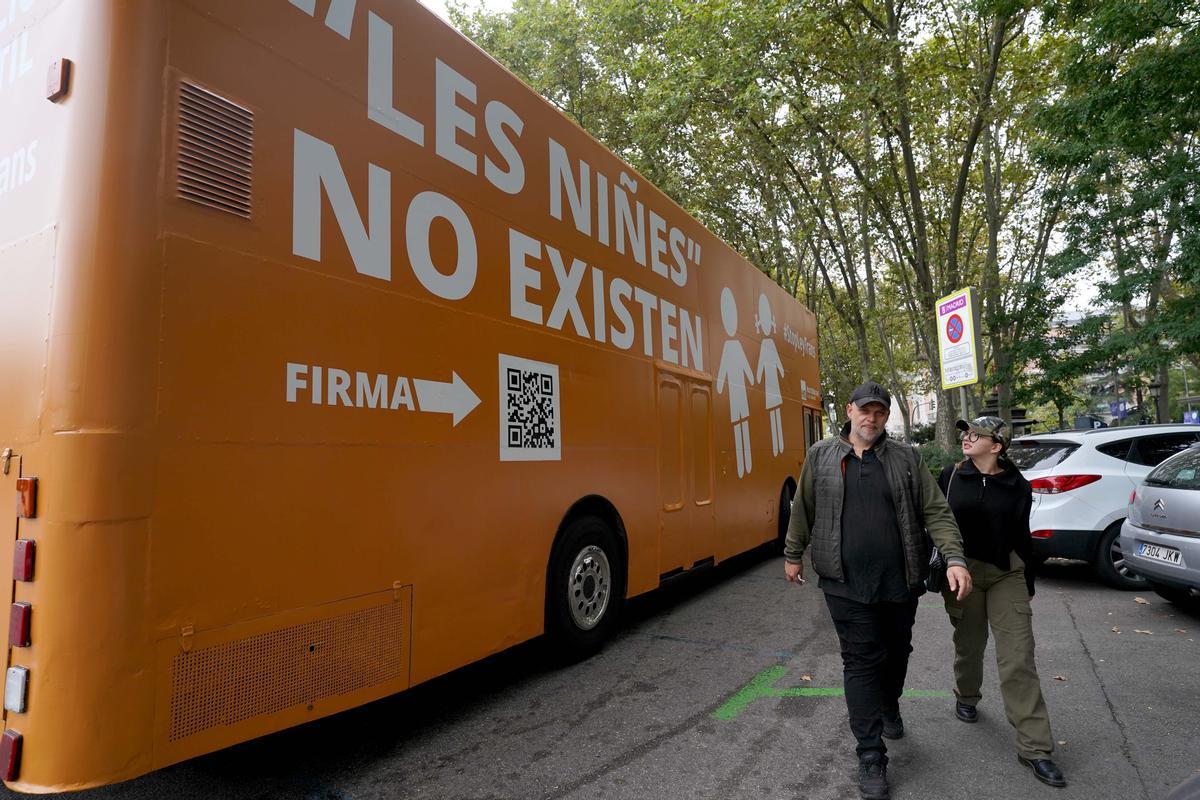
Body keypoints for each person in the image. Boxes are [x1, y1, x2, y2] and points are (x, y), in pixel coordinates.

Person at [784, 381, 972, 800]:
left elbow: (936, 511)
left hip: (900, 580)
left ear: (887, 417)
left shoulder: (907, 458)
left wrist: (954, 558)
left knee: (896, 651)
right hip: (843, 582)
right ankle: (871, 753)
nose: (871, 418)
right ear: (849, 411)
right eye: (865, 410)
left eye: (880, 412)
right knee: (860, 660)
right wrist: (793, 553)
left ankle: (890, 702)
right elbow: (804, 507)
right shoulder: (822, 456)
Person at [938, 416, 1065, 788]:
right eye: (966, 432)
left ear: (996, 446)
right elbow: (934, 522)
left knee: (1018, 656)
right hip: (964, 574)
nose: (967, 437)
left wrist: (1027, 583)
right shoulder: (950, 476)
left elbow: (1022, 536)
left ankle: (1036, 749)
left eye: (976, 434)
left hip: (1007, 572)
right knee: (969, 643)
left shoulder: (1017, 486)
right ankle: (967, 694)